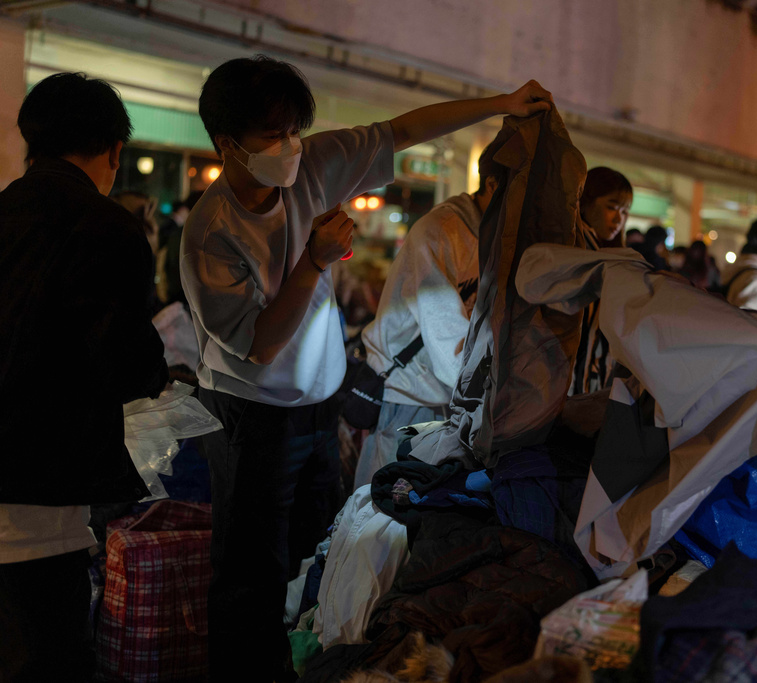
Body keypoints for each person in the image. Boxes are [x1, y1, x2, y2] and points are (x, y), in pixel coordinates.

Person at [180, 54, 552, 682]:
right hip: (252, 417)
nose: (290, 147)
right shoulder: (210, 233)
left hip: (318, 406)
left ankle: (301, 664)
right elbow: (261, 345)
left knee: (315, 550)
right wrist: (315, 261)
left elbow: (401, 130)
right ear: (227, 144)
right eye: (272, 135)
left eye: (294, 130)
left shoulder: (311, 167)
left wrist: (501, 103)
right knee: (250, 571)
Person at [0, 72, 168, 683]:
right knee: (46, 656)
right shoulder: (107, 228)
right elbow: (125, 363)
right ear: (114, 151)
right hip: (41, 496)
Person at [354, 139, 503, 488]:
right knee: (387, 503)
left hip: (448, 398)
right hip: (411, 396)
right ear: (494, 184)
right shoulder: (441, 231)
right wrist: (491, 398)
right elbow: (445, 331)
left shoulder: (491, 235)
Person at [572, 166, 633, 395]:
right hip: (575, 383)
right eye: (612, 207)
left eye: (625, 211)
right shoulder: (579, 254)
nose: (619, 219)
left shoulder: (606, 256)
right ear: (586, 202)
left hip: (588, 381)